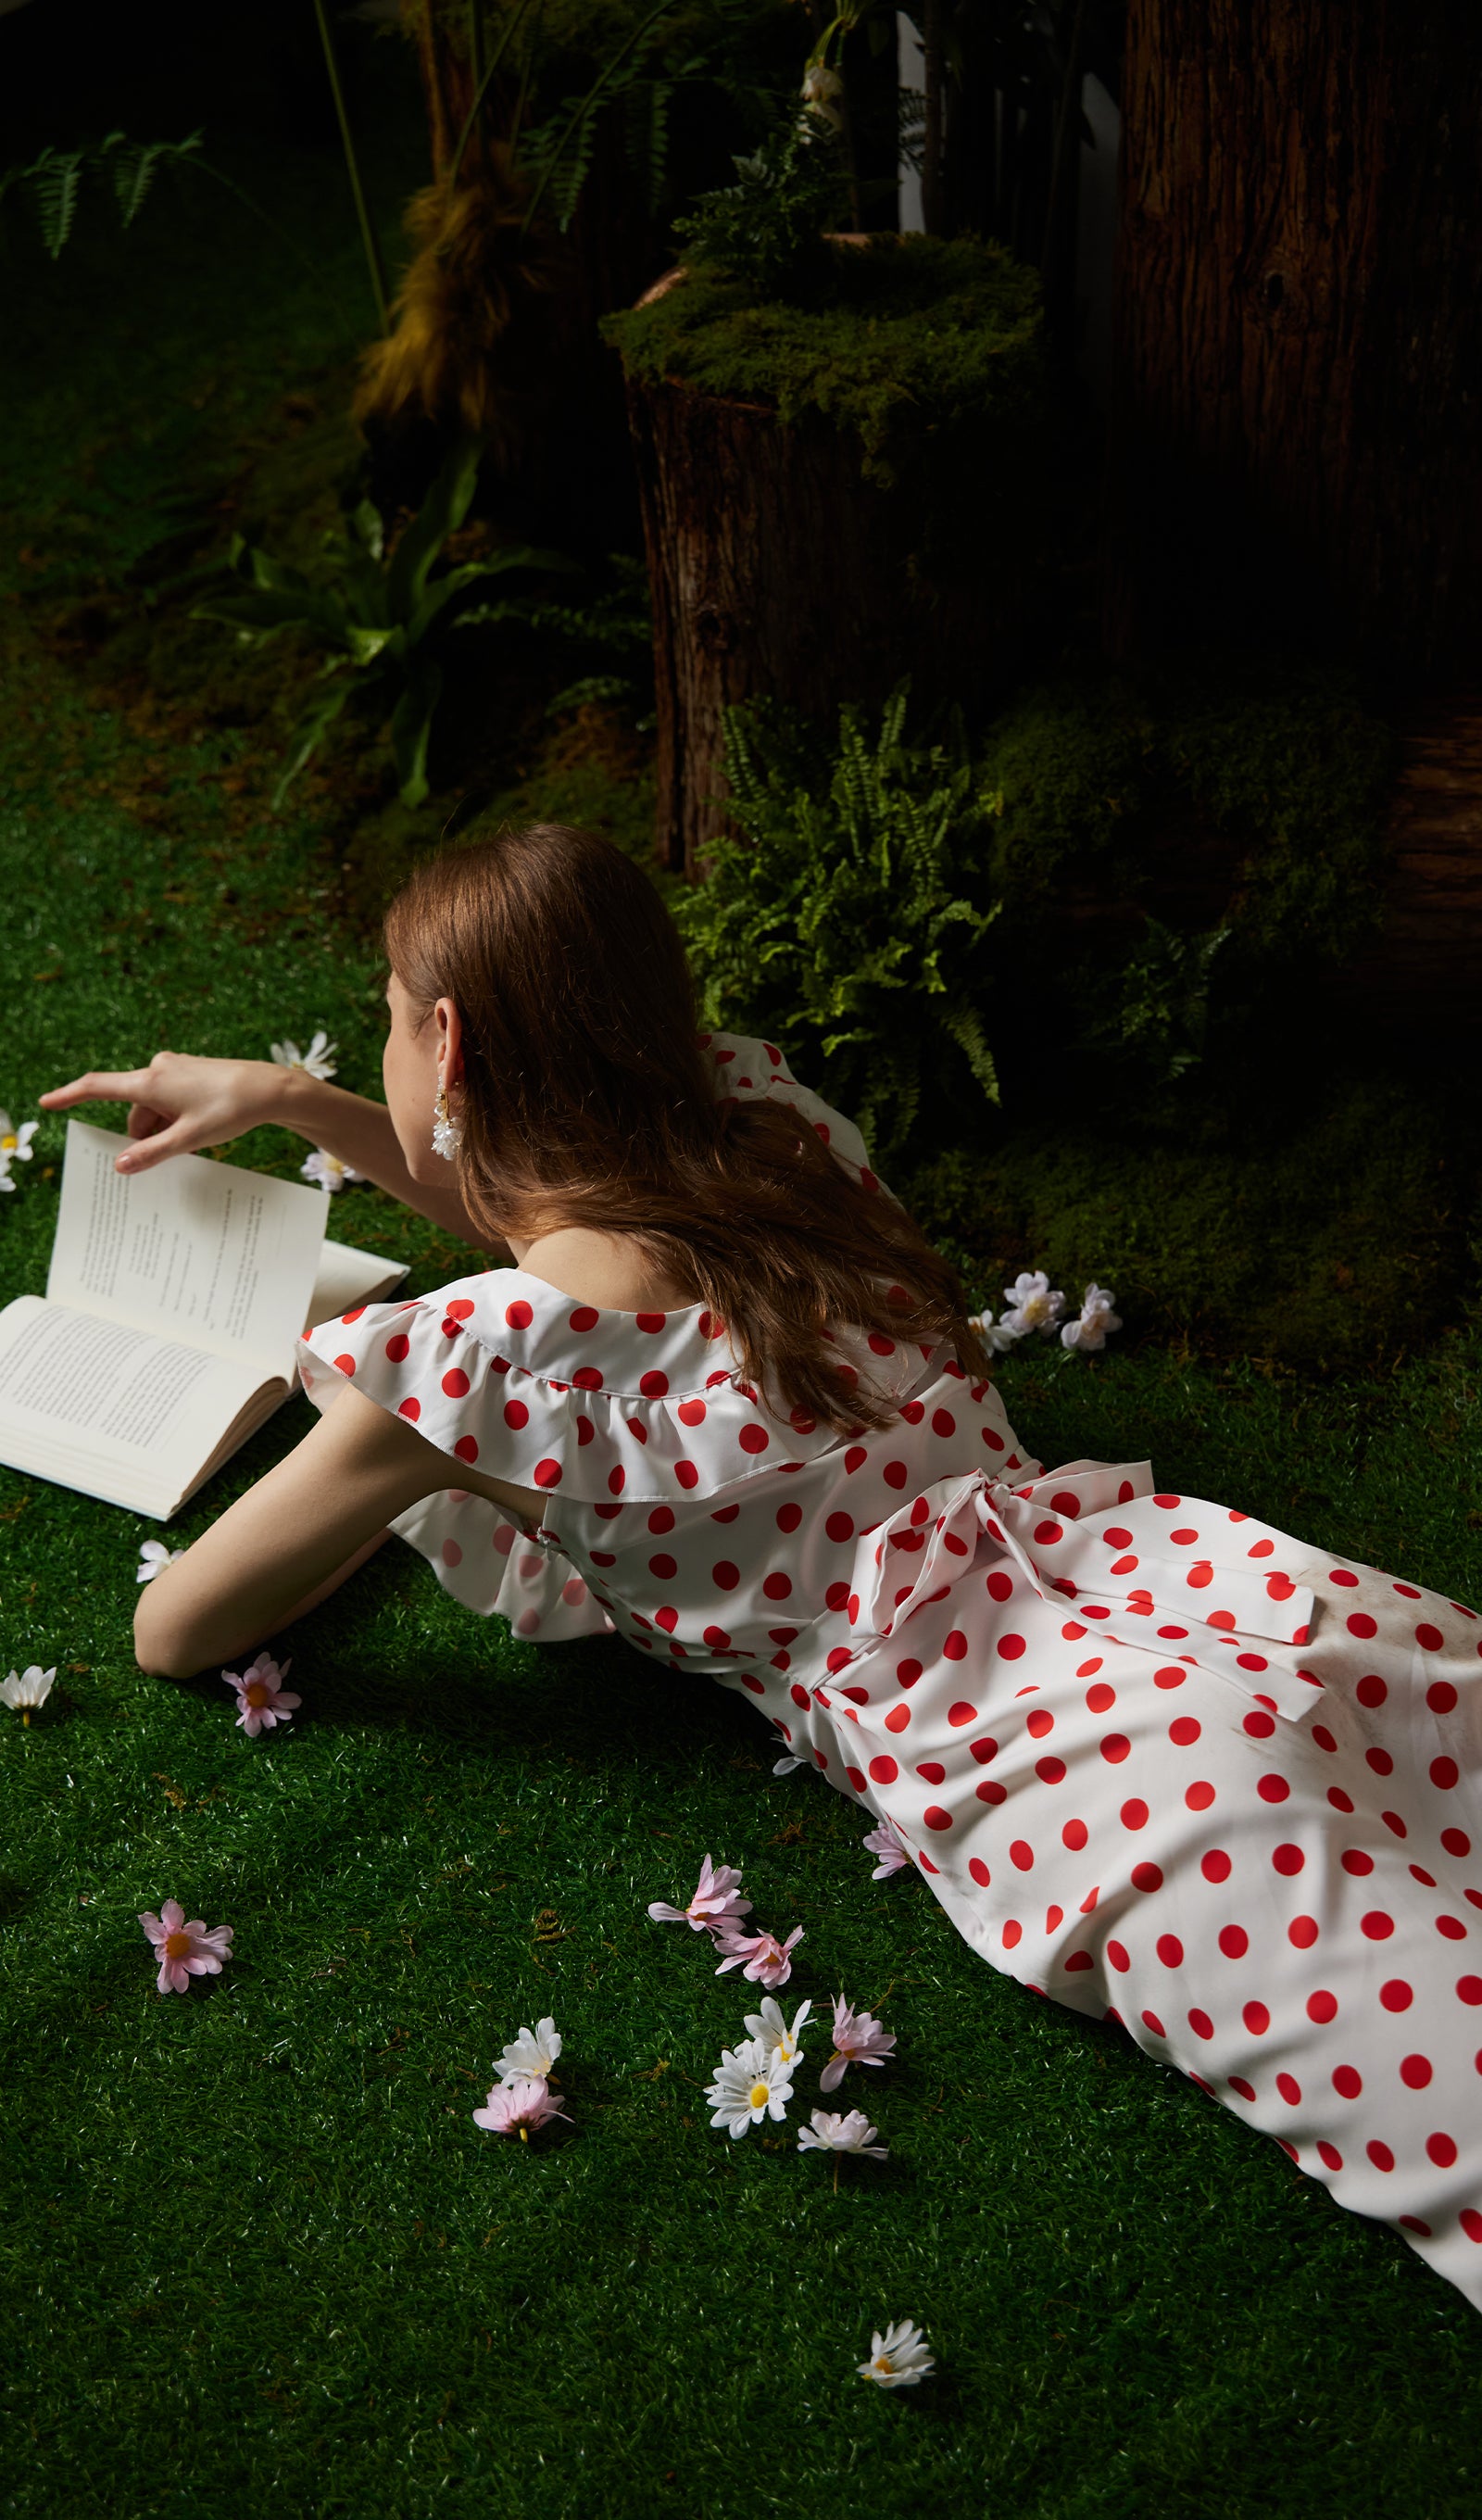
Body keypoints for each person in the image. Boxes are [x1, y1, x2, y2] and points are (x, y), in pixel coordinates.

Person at [41, 821, 1482, 2313]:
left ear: (450, 1044)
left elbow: (176, 1626)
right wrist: (303, 1102)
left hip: (1034, 1761)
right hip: (1176, 1582)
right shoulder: (773, 1129)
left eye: (394, 1014)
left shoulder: (489, 1367)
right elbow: (549, 1204)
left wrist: (368, 1452)